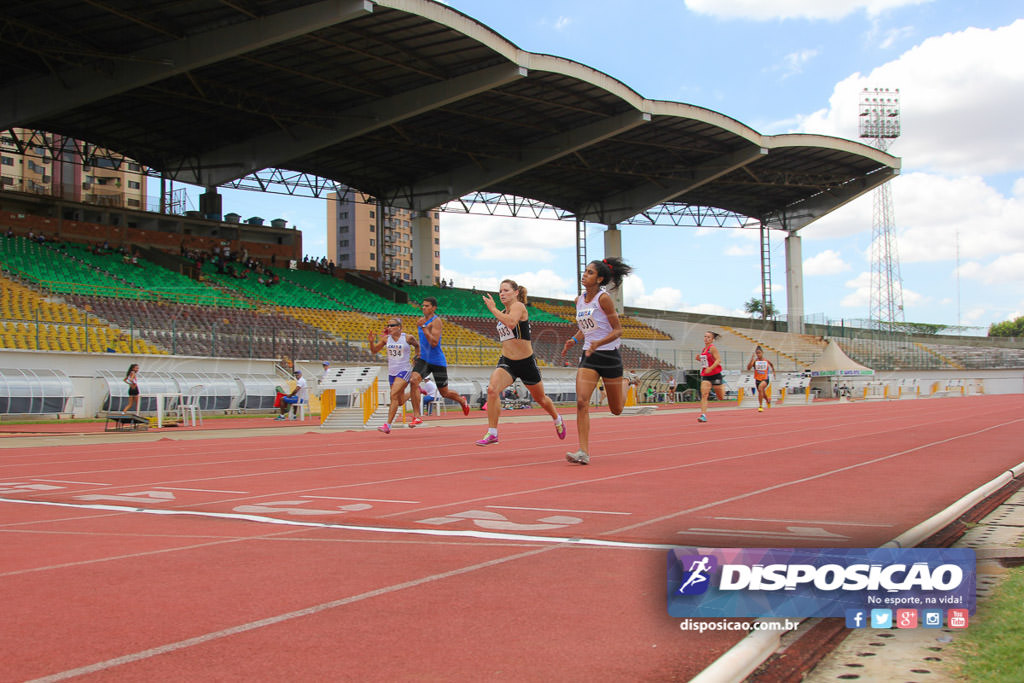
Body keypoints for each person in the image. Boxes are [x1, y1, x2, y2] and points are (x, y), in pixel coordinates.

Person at [475, 279, 565, 446]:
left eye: (506, 290)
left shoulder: (518, 307)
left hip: (526, 363)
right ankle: (493, 432)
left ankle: (557, 418)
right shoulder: (502, 311)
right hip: (507, 362)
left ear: (515, 293)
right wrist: (496, 310)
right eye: (500, 290)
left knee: (541, 399)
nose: (502, 293)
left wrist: (492, 308)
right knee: (492, 389)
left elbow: (510, 323)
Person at [560, 257, 632, 465]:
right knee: (582, 402)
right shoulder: (579, 300)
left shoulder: (604, 299)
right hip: (589, 356)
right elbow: (586, 326)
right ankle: (583, 451)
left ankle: (625, 383)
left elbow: (618, 330)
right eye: (585, 271)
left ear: (600, 278)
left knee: (616, 410)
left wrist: (598, 342)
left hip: (609, 357)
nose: (585, 275)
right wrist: (573, 340)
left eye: (590, 272)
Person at [408, 296, 471, 422]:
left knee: (444, 393)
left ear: (434, 308)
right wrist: (418, 353)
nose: (424, 307)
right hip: (424, 360)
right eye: (423, 305)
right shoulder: (420, 321)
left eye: (427, 306)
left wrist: (424, 328)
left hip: (437, 361)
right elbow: (422, 342)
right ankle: (417, 416)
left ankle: (461, 400)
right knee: (413, 381)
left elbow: (434, 343)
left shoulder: (436, 321)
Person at [368, 318, 420, 434]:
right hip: (392, 372)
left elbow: (417, 346)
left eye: (392, 325)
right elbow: (374, 351)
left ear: (399, 327)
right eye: (388, 325)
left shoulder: (407, 338)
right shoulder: (386, 339)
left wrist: (417, 357)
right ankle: (414, 392)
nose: (389, 327)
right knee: (399, 401)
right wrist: (371, 342)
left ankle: (388, 425)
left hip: (404, 370)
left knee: (393, 395)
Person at [697, 331, 725, 423]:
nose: (706, 338)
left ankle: (722, 386)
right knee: (704, 394)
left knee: (720, 397)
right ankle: (703, 415)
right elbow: (705, 362)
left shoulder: (712, 348)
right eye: (705, 336)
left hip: (715, 374)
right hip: (706, 376)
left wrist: (711, 368)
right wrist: (699, 359)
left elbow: (718, 360)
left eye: (708, 337)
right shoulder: (703, 349)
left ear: (712, 339)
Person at [746, 345, 775, 412]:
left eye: (759, 353)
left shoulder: (766, 361)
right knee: (762, 392)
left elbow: (772, 365)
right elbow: (748, 368)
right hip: (757, 379)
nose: (758, 354)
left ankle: (760, 406)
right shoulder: (755, 361)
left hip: (765, 379)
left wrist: (774, 372)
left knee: (760, 388)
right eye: (757, 353)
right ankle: (767, 399)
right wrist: (751, 360)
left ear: (762, 352)